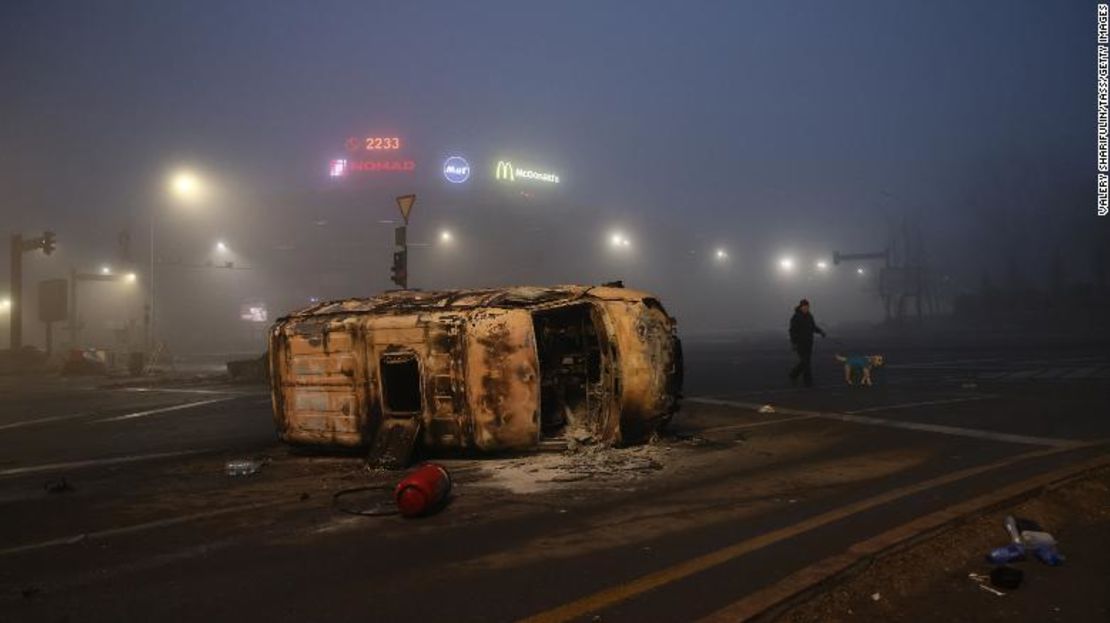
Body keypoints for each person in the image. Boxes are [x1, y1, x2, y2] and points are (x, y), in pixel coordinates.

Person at [788, 298, 826, 387]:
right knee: (806, 362)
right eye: (804, 307)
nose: (806, 308)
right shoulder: (796, 317)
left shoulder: (809, 316)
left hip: (809, 342)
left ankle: (793, 374)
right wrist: (794, 343)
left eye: (807, 307)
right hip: (800, 343)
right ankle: (808, 382)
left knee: (805, 362)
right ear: (801, 307)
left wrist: (820, 332)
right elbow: (792, 331)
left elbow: (813, 327)